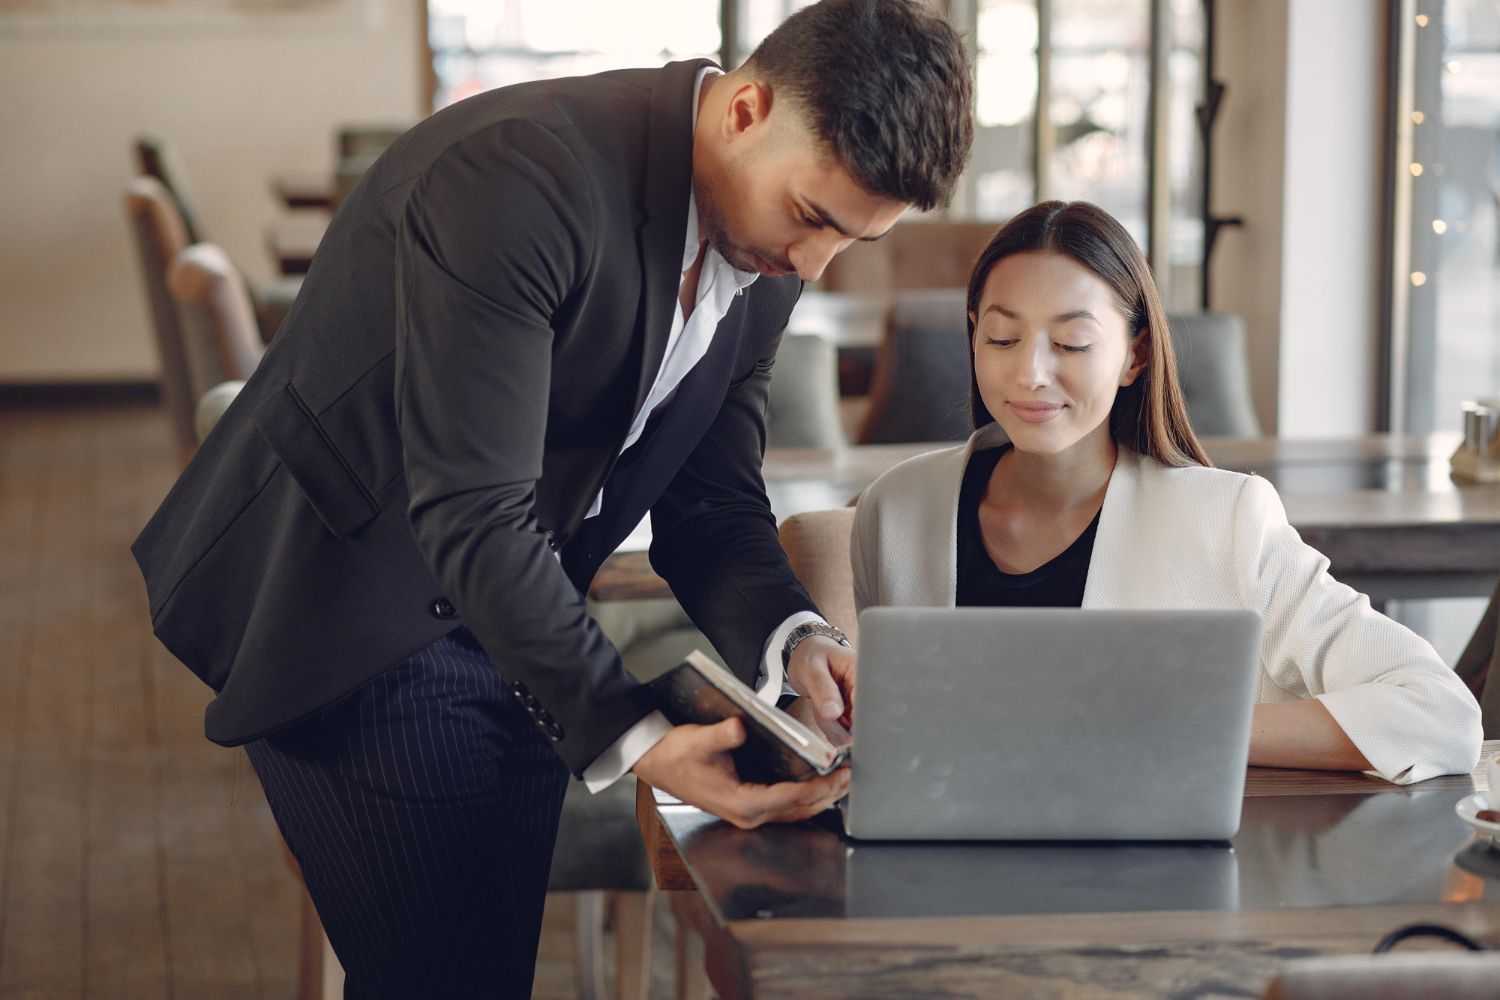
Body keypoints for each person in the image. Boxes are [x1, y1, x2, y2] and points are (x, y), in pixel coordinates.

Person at [130, 2, 973, 994]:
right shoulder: (519, 176)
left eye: (852, 242)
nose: (813, 264)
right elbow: (472, 512)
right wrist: (643, 737)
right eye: (814, 217)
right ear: (747, 108)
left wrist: (800, 638)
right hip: (350, 607)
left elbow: (712, 508)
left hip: (516, 619)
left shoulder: (766, 251)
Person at [851, 200, 1482, 785]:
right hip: (940, 871)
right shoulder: (898, 510)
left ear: (1135, 355)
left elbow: (1438, 713)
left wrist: (1174, 727)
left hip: (1151, 888)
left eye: (1071, 342)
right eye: (1002, 338)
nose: (1030, 373)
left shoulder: (1226, 520)